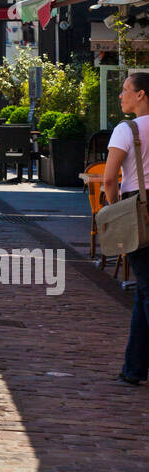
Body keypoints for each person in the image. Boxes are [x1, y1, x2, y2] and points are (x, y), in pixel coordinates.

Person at [103, 71, 149, 385]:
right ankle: (133, 369)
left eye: (125, 90)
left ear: (142, 95)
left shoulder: (127, 129)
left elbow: (108, 178)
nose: (121, 96)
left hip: (137, 210)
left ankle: (133, 370)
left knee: (146, 288)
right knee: (142, 289)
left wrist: (112, 207)